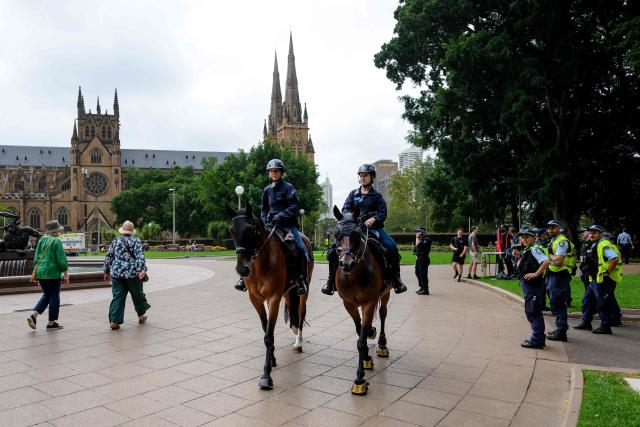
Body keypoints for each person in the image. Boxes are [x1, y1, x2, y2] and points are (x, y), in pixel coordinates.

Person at [322, 163, 407, 295]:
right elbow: (346, 209)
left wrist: (374, 219)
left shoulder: (377, 196)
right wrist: (352, 218)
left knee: (391, 246)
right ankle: (330, 281)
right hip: (355, 229)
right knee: (333, 249)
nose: (362, 178)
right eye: (361, 175)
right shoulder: (352, 194)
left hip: (374, 229)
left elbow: (382, 213)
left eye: (365, 175)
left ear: (372, 177)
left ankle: (396, 280)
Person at [235, 159, 309, 296]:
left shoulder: (289, 188)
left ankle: (301, 279)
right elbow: (264, 209)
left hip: (287, 225)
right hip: (270, 225)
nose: (274, 173)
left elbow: (293, 207)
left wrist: (280, 216)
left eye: (276, 171)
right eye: (271, 171)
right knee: (252, 245)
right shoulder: (267, 190)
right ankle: (243, 277)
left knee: (299, 247)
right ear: (269, 173)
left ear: (281, 172)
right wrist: (264, 221)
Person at [574, 225, 623, 333]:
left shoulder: (603, 244)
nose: (591, 235)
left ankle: (605, 326)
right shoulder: (594, 244)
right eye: (590, 233)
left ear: (600, 234)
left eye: (594, 233)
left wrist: (607, 272)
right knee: (587, 301)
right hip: (594, 279)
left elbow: (614, 258)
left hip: (603, 280)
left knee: (602, 303)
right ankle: (586, 322)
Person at [104, 220, 151, 330]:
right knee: (137, 294)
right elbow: (139, 256)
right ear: (132, 231)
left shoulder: (116, 241)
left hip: (117, 273)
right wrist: (141, 270)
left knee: (118, 296)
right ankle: (141, 315)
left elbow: (109, 256)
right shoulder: (136, 241)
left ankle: (115, 321)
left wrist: (106, 271)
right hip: (132, 274)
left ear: (122, 231)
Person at [26, 220, 69, 331]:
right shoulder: (56, 241)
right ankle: (51, 323)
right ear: (55, 231)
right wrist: (65, 274)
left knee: (47, 295)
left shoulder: (41, 240)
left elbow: (36, 258)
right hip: (52, 273)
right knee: (54, 296)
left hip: (41, 273)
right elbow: (61, 260)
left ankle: (33, 316)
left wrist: (37, 271)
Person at [515, 228, 550, 349]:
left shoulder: (535, 248)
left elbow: (546, 262)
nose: (524, 239)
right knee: (532, 311)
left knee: (533, 311)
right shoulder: (528, 249)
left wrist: (536, 274)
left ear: (533, 238)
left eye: (526, 237)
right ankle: (538, 337)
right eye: (522, 237)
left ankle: (537, 339)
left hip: (533, 285)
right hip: (530, 285)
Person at [544, 220, 576, 342]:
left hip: (559, 275)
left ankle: (561, 331)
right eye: (549, 228)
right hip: (553, 274)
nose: (550, 230)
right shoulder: (553, 241)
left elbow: (558, 261)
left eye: (553, 228)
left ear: (558, 228)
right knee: (554, 301)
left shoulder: (561, 241)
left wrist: (549, 255)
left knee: (558, 302)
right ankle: (560, 328)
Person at [413, 227, 432, 295]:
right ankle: (422, 287)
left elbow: (419, 244)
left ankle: (425, 290)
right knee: (417, 272)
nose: (417, 233)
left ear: (423, 232)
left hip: (424, 259)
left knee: (423, 275)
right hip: (419, 259)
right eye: (417, 232)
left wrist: (417, 238)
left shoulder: (427, 239)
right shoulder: (421, 239)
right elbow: (416, 247)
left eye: (418, 231)